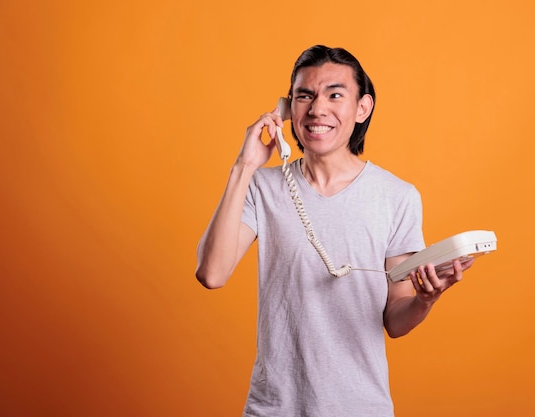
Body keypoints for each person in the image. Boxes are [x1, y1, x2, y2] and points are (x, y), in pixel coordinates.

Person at [196, 45, 474, 417]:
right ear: (286, 107)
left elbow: (395, 319)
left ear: (362, 108)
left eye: (335, 95)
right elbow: (211, 274)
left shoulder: (397, 196)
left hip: (360, 407)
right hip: (274, 408)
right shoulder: (263, 187)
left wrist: (426, 299)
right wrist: (244, 166)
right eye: (304, 96)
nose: (316, 110)